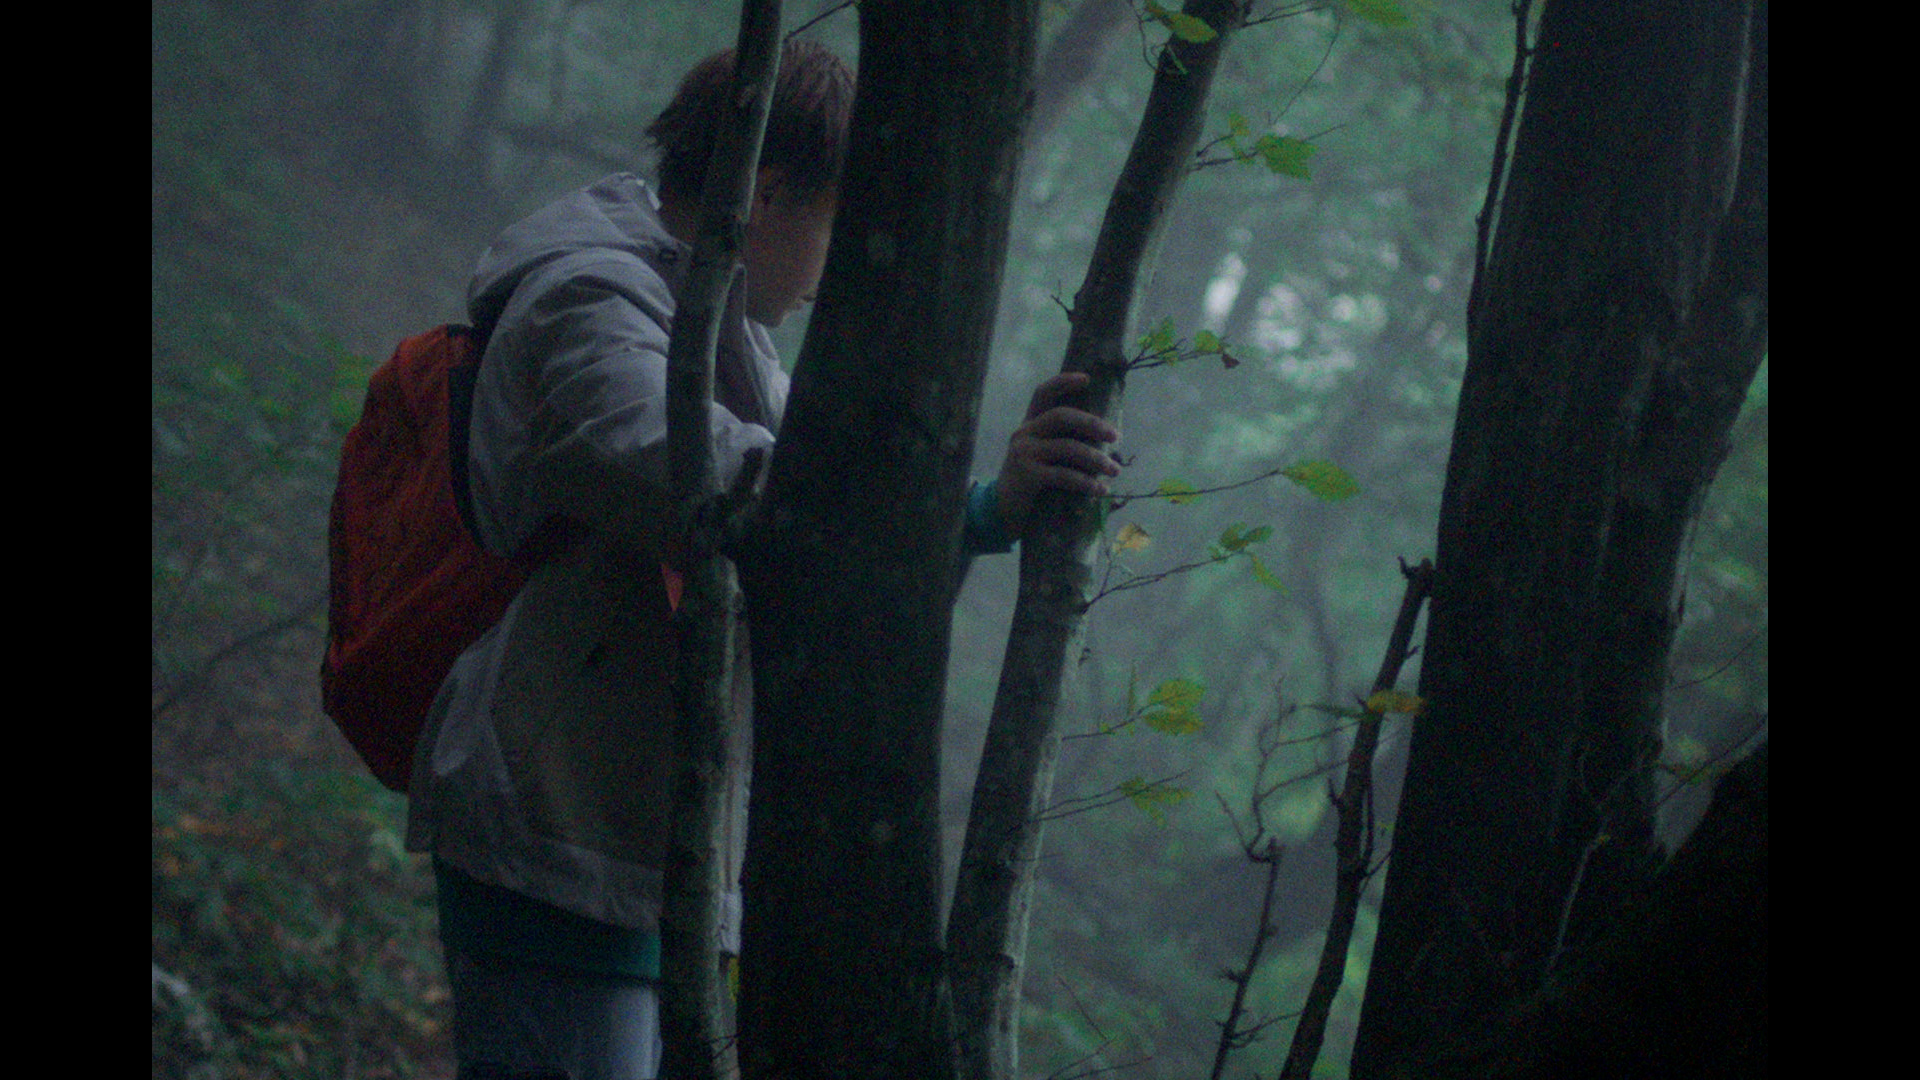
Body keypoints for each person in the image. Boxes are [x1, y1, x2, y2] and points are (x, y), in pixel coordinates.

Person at [404, 40, 1119, 1080]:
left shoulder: (723, 331)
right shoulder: (587, 298)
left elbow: (821, 523)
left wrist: (981, 509)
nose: (836, 270)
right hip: (558, 841)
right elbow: (703, 471)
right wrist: (960, 504)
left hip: (637, 848)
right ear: (768, 192)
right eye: (838, 226)